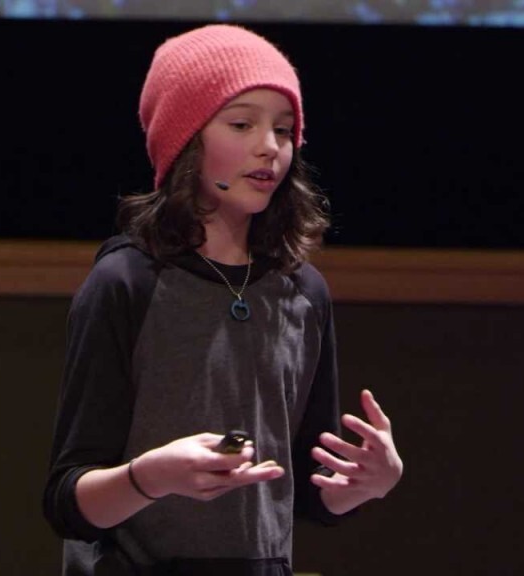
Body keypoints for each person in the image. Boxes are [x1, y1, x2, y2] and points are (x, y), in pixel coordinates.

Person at [42, 23, 403, 575]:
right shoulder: (126, 284)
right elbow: (71, 502)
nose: (269, 147)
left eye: (284, 131)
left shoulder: (302, 292)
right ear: (185, 139)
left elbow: (306, 495)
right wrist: (150, 477)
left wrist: (367, 484)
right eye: (242, 124)